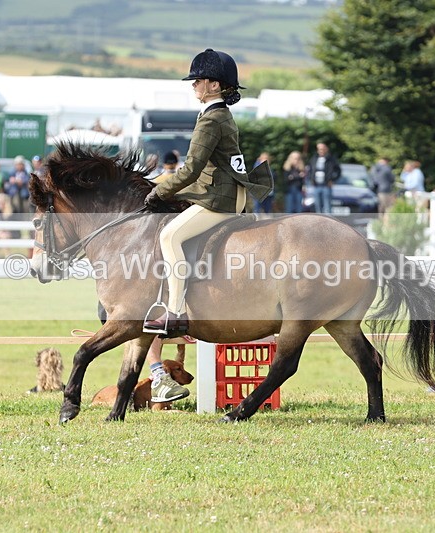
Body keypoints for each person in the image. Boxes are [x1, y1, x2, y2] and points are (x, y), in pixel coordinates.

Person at [140, 48, 272, 400]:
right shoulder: (219, 113)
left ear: (215, 84)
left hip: (221, 199)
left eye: (199, 80)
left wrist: (158, 192)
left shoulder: (212, 118)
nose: (194, 85)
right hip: (228, 193)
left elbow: (191, 169)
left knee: (170, 237)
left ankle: (176, 310)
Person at [305, 142, 341, 214]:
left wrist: (332, 179)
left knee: (327, 205)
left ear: (326, 149)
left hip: (326, 185)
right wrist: (311, 179)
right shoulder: (314, 158)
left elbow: (338, 171)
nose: (320, 151)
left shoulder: (331, 159)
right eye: (319, 149)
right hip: (316, 185)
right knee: (317, 205)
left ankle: (328, 222)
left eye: (322, 149)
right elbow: (309, 170)